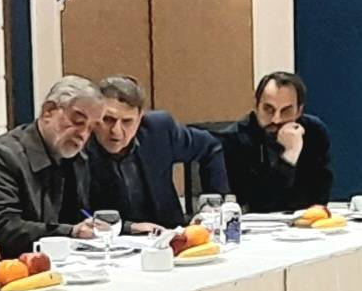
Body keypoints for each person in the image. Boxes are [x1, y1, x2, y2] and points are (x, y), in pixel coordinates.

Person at [0, 76, 105, 256]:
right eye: (78, 122)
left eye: (91, 128)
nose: (83, 134)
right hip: (16, 262)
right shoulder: (3, 154)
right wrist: (70, 232)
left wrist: (125, 227)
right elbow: (1, 226)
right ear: (48, 111)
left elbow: (87, 212)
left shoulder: (79, 158)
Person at [87, 75, 229, 232]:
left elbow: (210, 146)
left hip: (170, 234)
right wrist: (129, 227)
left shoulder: (158, 129)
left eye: (127, 121)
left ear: (140, 118)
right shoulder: (80, 144)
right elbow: (75, 214)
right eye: (108, 120)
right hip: (110, 240)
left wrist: (211, 207)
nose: (116, 131)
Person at [218, 71, 333, 213]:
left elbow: (320, 196)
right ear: (256, 105)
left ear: (299, 111)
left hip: (304, 221)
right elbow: (259, 204)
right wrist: (289, 156)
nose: (276, 119)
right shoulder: (234, 140)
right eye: (268, 109)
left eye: (286, 111)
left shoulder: (314, 132)